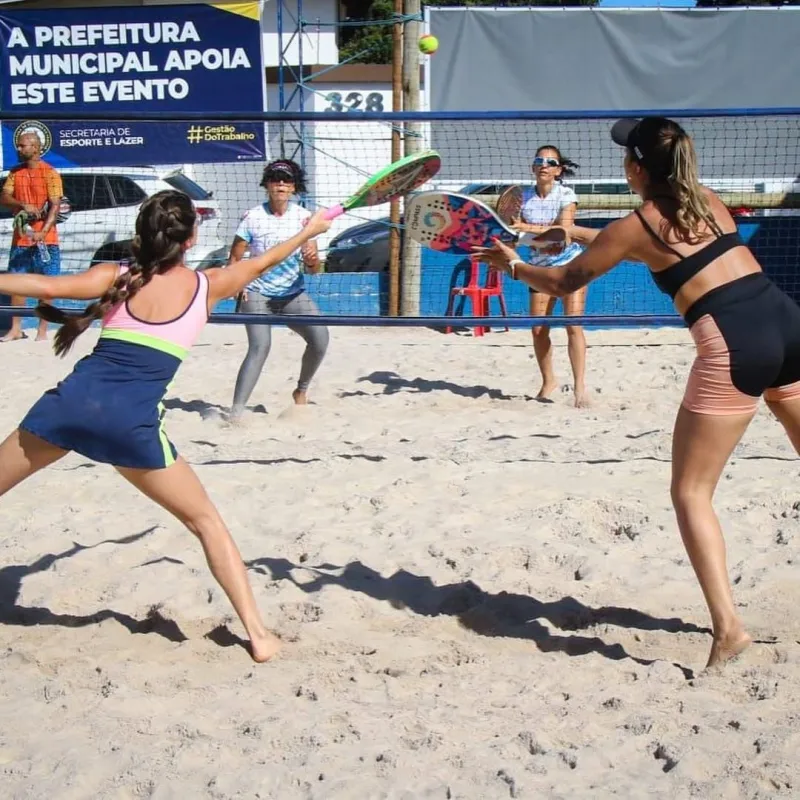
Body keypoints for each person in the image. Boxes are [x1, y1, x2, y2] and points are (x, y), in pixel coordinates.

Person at [474, 115, 800, 670]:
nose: (621, 160)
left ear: (637, 167)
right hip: (788, 324)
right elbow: (627, 241)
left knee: (691, 494)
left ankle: (728, 632)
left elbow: (563, 282)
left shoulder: (637, 224)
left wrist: (516, 264)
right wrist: (571, 234)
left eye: (627, 153)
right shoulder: (707, 198)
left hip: (734, 345)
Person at [0, 189, 332, 663]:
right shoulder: (208, 285)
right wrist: (309, 231)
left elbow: (46, 287)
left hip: (69, 407)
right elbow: (263, 262)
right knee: (207, 524)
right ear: (192, 238)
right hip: (129, 427)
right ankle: (259, 636)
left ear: (141, 235)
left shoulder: (116, 276)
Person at [228, 159, 328, 420]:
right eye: (275, 179)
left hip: (291, 293)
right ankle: (236, 412)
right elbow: (235, 259)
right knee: (260, 346)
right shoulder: (252, 217)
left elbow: (314, 269)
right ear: (267, 184)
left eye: (287, 180)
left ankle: (301, 391)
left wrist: (311, 259)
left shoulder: (304, 218)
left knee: (321, 339)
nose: (281, 184)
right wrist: (238, 285)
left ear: (294, 187)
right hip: (257, 291)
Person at [509, 146, 589, 407]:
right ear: (533, 167)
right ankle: (548, 381)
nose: (544, 165)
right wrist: (512, 246)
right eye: (538, 161)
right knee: (538, 329)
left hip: (569, 266)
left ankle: (579, 388)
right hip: (539, 268)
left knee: (572, 326)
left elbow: (563, 232)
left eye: (550, 162)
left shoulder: (567, 195)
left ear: (558, 170)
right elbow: (512, 231)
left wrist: (527, 230)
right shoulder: (522, 196)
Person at [0, 132, 64, 343]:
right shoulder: (15, 173)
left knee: (46, 287)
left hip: (47, 239)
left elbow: (55, 206)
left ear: (36, 148)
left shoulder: (50, 174)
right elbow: (4, 197)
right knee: (17, 284)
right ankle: (16, 328)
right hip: (21, 238)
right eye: (18, 145)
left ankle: (42, 331)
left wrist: (43, 232)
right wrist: (22, 205)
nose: (19, 149)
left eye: (22, 145)